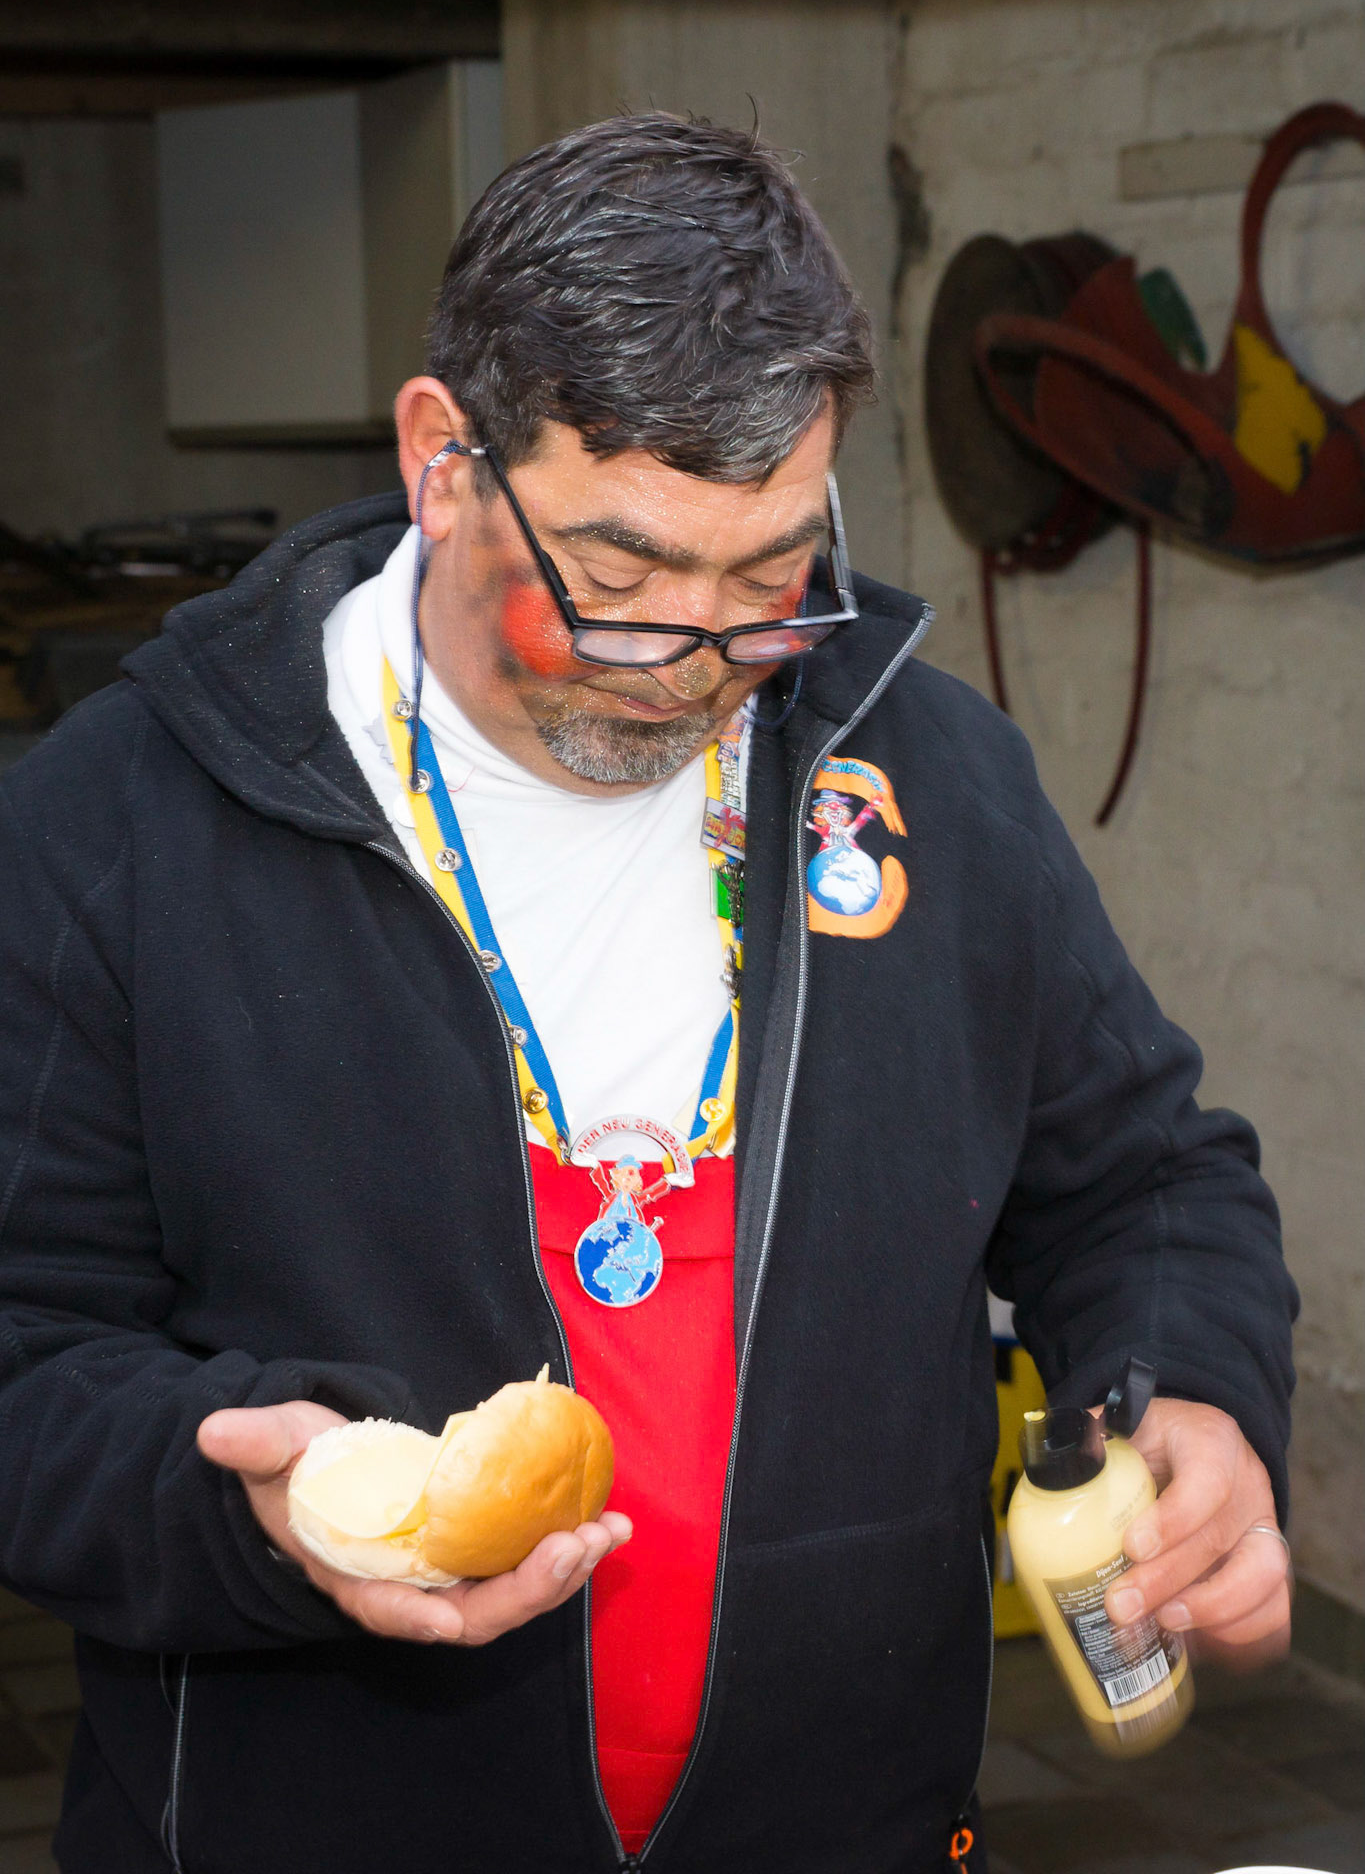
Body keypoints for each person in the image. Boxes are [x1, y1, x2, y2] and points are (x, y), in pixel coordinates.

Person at [0, 113, 1295, 1874]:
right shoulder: (118, 825)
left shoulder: (926, 776)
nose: (693, 668)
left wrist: (1190, 1391)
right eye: (612, 584)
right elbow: (30, 1356)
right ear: (442, 461)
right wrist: (249, 1509)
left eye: (769, 580)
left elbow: (1142, 1177)